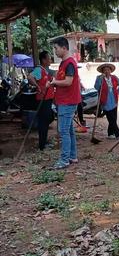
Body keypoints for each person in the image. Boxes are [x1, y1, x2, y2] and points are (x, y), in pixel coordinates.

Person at [49, 36, 81, 169]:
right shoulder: (63, 63)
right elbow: (62, 79)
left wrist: (54, 82)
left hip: (68, 101)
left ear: (64, 48)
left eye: (56, 48)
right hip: (64, 100)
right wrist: (54, 81)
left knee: (63, 131)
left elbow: (68, 82)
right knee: (69, 130)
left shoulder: (69, 63)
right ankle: (72, 156)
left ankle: (64, 159)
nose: (54, 52)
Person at [27, 51, 55, 150]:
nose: (50, 60)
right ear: (43, 60)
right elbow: (30, 77)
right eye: (49, 58)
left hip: (48, 99)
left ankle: (44, 141)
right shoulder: (39, 69)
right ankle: (42, 145)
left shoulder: (46, 70)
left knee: (48, 119)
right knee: (43, 121)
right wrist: (37, 85)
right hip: (43, 99)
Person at [94, 63, 119, 139]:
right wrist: (100, 80)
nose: (107, 71)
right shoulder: (99, 78)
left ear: (111, 71)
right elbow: (96, 87)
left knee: (114, 118)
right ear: (102, 71)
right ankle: (118, 134)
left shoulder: (114, 77)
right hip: (105, 101)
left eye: (108, 69)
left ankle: (110, 133)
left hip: (114, 100)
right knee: (111, 118)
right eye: (105, 70)